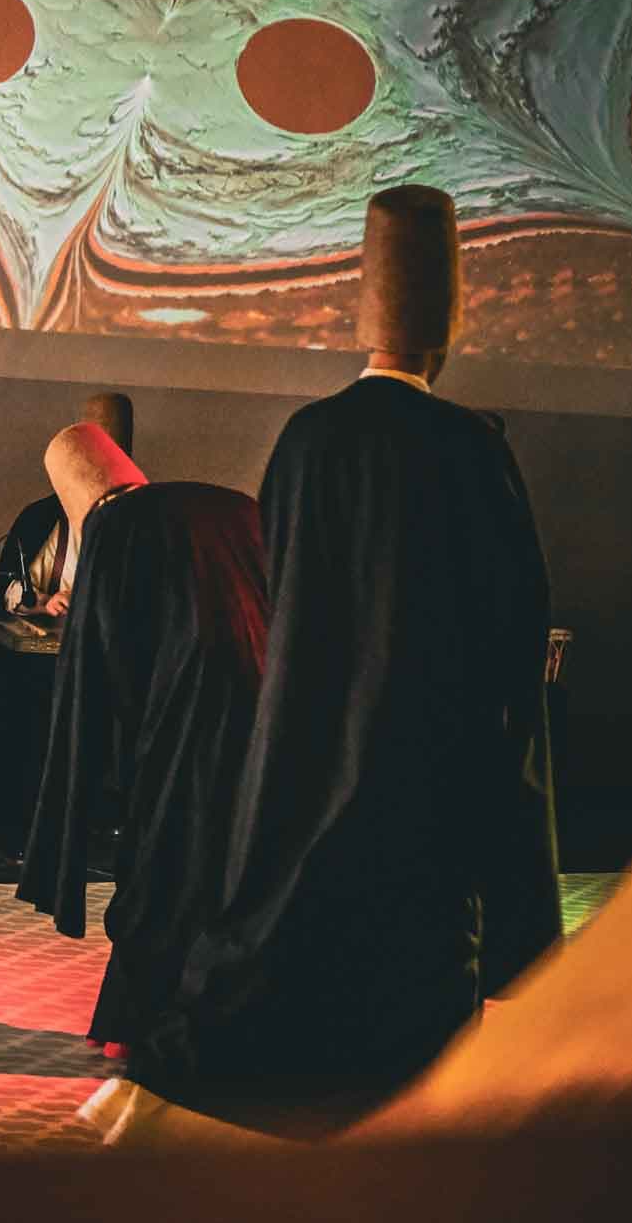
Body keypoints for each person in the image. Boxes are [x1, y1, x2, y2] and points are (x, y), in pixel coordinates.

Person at [151, 185, 561, 1120]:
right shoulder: (470, 445)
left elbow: (283, 582)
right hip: (424, 756)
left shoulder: (307, 440)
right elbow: (512, 622)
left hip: (306, 740)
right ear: (445, 327)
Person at [16, 424, 269, 1051]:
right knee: (243, 859)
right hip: (270, 696)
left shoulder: (116, 525)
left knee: (164, 857)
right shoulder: (232, 506)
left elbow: (96, 666)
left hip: (187, 712)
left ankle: (132, 1025)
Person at [0, 392, 135, 856]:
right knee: (32, 692)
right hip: (39, 650)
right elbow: (9, 592)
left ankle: (104, 809)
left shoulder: (136, 522)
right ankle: (20, 810)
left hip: (104, 647)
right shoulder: (40, 517)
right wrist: (42, 601)